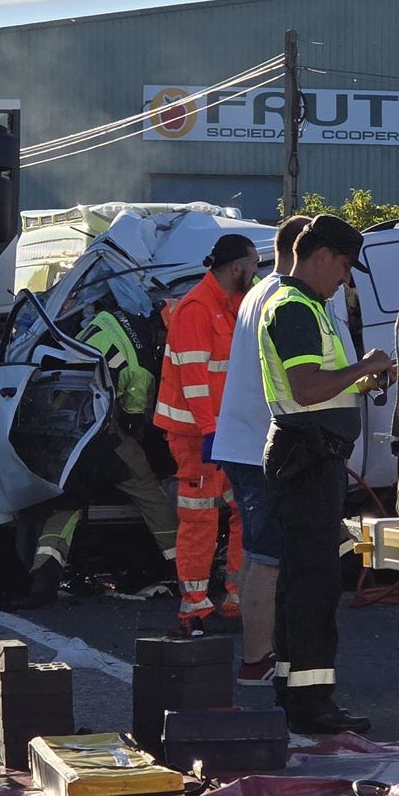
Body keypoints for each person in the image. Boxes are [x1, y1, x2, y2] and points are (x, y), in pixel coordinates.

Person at [258, 214, 395, 735]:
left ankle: (296, 693)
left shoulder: (306, 305)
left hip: (308, 456)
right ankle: (313, 705)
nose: (345, 279)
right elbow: (309, 389)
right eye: (343, 266)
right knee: (314, 583)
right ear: (321, 257)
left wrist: (359, 383)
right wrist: (365, 366)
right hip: (308, 459)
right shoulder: (294, 307)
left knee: (302, 578)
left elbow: (320, 389)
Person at [210, 215, 331, 684]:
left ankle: (264, 652)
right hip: (262, 444)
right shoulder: (284, 298)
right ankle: (257, 658)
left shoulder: (258, 292)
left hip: (247, 441)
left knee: (266, 552)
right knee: (268, 554)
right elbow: (302, 380)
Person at [8, 307, 179, 609]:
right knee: (152, 495)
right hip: (103, 437)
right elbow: (133, 420)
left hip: (65, 430)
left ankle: (43, 580)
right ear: (164, 334)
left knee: (68, 504)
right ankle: (181, 568)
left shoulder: (109, 317)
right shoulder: (140, 368)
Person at [154, 233, 259, 635]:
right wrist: (211, 430)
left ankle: (235, 599)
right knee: (200, 518)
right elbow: (194, 381)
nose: (255, 272)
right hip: (196, 435)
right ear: (237, 268)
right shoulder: (198, 308)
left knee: (242, 513)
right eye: (252, 265)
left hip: (221, 431)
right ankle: (194, 608)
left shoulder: (228, 305)